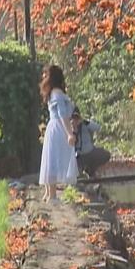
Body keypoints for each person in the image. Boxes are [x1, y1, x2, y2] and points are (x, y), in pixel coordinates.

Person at [38, 64, 79, 202]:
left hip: (54, 127)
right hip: (59, 127)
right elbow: (62, 114)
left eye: (46, 75)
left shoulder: (53, 93)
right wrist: (69, 133)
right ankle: (52, 195)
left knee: (50, 158)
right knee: (54, 159)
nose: (44, 77)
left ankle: (49, 193)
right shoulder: (57, 93)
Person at [71, 110, 110, 178]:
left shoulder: (85, 125)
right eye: (73, 118)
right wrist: (73, 130)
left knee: (106, 154)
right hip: (79, 156)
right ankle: (83, 174)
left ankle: (91, 170)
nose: (75, 120)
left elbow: (98, 128)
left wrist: (84, 121)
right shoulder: (68, 128)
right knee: (77, 176)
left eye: (77, 118)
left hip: (90, 152)